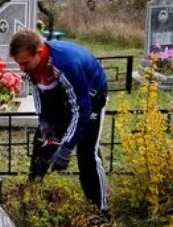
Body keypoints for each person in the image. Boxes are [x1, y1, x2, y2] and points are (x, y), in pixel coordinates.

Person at [9, 30, 109, 215]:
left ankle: (100, 211)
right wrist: (45, 122)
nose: (21, 68)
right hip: (61, 92)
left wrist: (66, 148)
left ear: (39, 52)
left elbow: (82, 109)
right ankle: (33, 192)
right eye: (18, 63)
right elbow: (39, 93)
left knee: (87, 154)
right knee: (42, 140)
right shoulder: (32, 65)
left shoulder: (66, 63)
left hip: (90, 96)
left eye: (24, 63)